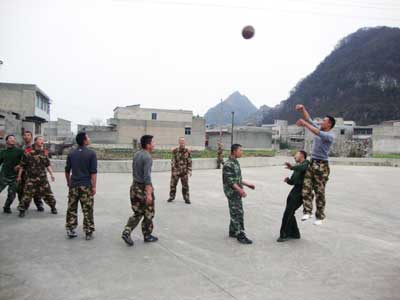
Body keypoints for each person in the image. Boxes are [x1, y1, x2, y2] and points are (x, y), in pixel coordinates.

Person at [295, 104, 335, 225]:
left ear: (329, 124)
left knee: (319, 192)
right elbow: (309, 119)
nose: (321, 122)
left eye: (324, 121)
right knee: (306, 188)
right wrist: (303, 110)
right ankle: (307, 211)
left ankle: (320, 217)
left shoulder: (329, 135)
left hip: (322, 166)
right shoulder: (321, 129)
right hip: (312, 163)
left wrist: (305, 124)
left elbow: (315, 131)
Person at [121, 135, 158, 247]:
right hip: (143, 188)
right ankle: (147, 235)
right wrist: (149, 194)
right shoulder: (147, 157)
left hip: (134, 186)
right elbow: (147, 177)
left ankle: (127, 230)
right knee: (149, 213)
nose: (154, 145)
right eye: (152, 143)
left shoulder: (137, 154)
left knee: (138, 212)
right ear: (148, 145)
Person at [65, 132, 98, 240]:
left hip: (74, 185)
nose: (89, 138)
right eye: (88, 137)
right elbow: (93, 172)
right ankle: (88, 231)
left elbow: (67, 170)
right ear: (84, 140)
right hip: (86, 186)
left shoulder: (71, 153)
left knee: (71, 208)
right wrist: (94, 186)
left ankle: (70, 228)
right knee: (87, 209)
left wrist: (68, 182)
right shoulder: (91, 154)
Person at [17, 136, 57, 217]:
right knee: (27, 195)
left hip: (42, 178)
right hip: (31, 178)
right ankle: (22, 210)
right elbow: (22, 165)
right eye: (40, 139)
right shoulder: (28, 151)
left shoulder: (44, 152)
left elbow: (47, 165)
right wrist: (19, 176)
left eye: (43, 140)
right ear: (35, 141)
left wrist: (52, 174)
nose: (42, 141)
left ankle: (53, 207)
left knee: (48, 194)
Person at [222, 143, 255, 244]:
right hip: (232, 192)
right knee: (237, 213)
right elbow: (230, 181)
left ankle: (233, 231)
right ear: (234, 151)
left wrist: (248, 184)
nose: (242, 152)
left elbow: (237, 179)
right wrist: (240, 190)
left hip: (236, 191)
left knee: (235, 211)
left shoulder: (235, 162)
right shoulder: (228, 164)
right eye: (240, 150)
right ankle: (240, 235)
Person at [277, 150, 309, 242]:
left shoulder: (306, 163)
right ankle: (295, 233)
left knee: (288, 212)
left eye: (296, 155)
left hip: (302, 191)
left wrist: (292, 167)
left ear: (302, 155)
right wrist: (288, 181)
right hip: (295, 190)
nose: (294, 156)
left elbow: (303, 168)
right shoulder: (297, 167)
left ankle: (284, 234)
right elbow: (294, 181)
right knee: (290, 211)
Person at [17, 131, 44, 212]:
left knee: (36, 189)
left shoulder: (35, 146)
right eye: (25, 135)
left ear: (31, 137)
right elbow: (19, 158)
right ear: (23, 137)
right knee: (21, 189)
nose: (26, 136)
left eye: (28, 135)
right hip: (22, 171)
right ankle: (22, 204)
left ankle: (39, 204)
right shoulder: (21, 147)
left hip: (33, 172)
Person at [0, 135, 24, 213]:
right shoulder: (3, 152)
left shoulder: (19, 151)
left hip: (15, 177)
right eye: (10, 138)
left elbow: (24, 162)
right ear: (6, 141)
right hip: (3, 176)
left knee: (11, 195)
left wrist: (19, 165)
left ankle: (7, 207)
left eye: (14, 139)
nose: (13, 140)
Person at [167, 137, 192, 204]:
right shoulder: (175, 150)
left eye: (183, 141)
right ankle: (171, 197)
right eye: (181, 141)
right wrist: (173, 170)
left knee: (185, 186)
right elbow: (173, 160)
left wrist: (189, 170)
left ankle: (186, 198)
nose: (182, 143)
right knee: (173, 185)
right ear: (179, 142)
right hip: (176, 171)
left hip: (184, 171)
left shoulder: (187, 151)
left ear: (185, 142)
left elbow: (189, 161)